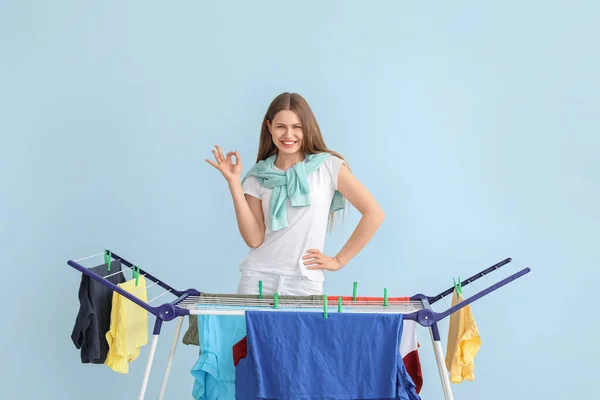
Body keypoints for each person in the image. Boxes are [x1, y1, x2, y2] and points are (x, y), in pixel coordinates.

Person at [206, 92, 385, 296]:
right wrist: (234, 183)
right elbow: (254, 239)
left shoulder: (328, 166)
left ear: (306, 128)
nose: (288, 135)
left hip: (305, 281)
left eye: (296, 127)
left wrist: (338, 261)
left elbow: (374, 213)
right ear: (269, 128)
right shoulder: (257, 176)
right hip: (257, 279)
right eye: (281, 126)